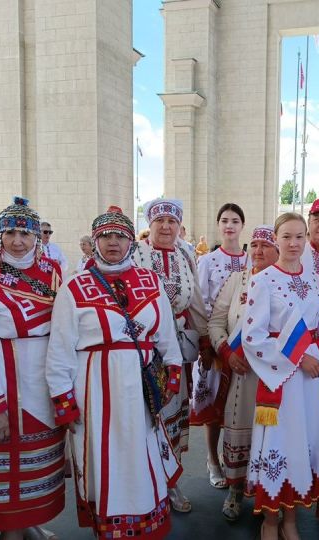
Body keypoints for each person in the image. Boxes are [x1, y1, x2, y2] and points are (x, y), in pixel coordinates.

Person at [46, 206, 184, 539]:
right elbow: (60, 349)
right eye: (105, 236)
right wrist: (63, 400)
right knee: (103, 460)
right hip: (95, 389)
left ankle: (145, 524)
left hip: (142, 388)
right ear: (94, 242)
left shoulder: (150, 282)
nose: (113, 243)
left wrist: (174, 373)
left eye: (120, 236)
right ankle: (109, 529)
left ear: (131, 243)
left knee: (142, 455)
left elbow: (166, 334)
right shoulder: (74, 287)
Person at [0, 197, 65, 539]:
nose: (18, 241)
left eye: (25, 233)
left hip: (48, 385)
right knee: (13, 471)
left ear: (37, 237)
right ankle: (13, 532)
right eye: (10, 233)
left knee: (44, 461)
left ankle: (30, 524)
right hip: (10, 388)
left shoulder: (53, 274)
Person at [243, 212, 319, 540]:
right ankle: (269, 520)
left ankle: (290, 520)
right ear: (275, 239)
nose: (293, 243)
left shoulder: (313, 281)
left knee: (299, 444)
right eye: (286, 237)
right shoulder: (262, 280)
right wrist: (299, 358)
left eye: (299, 237)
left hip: (309, 381)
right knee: (277, 444)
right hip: (281, 378)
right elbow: (253, 336)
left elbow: (317, 329)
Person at [133, 198, 213, 513]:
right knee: (143, 416)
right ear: (149, 225)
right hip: (140, 351)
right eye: (159, 221)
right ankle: (143, 484)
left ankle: (170, 483)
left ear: (179, 226)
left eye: (172, 221)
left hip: (175, 350)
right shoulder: (134, 254)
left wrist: (205, 338)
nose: (166, 227)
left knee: (172, 415)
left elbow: (194, 300)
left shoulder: (185, 254)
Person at [208, 224, 279, 521]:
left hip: (273, 375)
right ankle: (236, 490)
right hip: (241, 373)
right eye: (255, 245)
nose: (259, 251)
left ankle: (267, 493)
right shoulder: (237, 279)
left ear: (278, 250)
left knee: (272, 436)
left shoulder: (286, 281)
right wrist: (226, 352)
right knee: (239, 429)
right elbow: (215, 322)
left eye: (266, 245)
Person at [191, 203, 249, 489]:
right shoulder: (208, 261)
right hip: (216, 343)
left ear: (242, 226)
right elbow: (200, 304)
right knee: (213, 406)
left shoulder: (252, 260)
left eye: (235, 220)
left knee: (237, 405)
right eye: (224, 220)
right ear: (218, 225)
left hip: (243, 346)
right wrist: (206, 341)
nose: (229, 225)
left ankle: (236, 460)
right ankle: (213, 460)